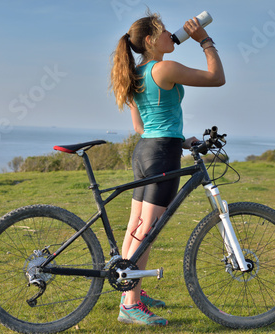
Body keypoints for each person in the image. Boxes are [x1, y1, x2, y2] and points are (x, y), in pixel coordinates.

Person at [109, 10, 225, 326]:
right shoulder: (164, 68)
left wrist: (179, 138)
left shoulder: (135, 74)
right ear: (150, 40)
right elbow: (217, 78)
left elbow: (140, 127)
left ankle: (129, 290)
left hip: (146, 151)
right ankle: (130, 305)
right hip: (162, 154)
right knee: (148, 229)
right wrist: (204, 41)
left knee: (136, 226)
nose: (169, 35)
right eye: (163, 32)